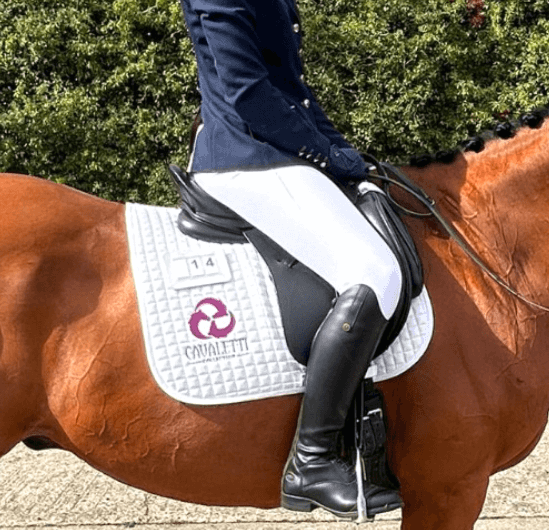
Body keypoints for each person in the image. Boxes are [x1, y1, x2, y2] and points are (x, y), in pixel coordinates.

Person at [178, 0, 404, 519]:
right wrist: (327, 158)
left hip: (276, 152)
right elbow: (247, 92)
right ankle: (313, 461)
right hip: (243, 157)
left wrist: (345, 155)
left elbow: (294, 93)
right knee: (376, 272)